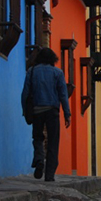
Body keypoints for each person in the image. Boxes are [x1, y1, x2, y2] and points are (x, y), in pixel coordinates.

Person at [21, 48, 71, 182]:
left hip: (37, 110)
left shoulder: (31, 72)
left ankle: (39, 159)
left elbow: (25, 93)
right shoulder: (58, 73)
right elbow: (63, 95)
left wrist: (25, 111)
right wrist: (67, 114)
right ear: (53, 59)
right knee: (53, 142)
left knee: (37, 137)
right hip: (52, 111)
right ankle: (49, 175)